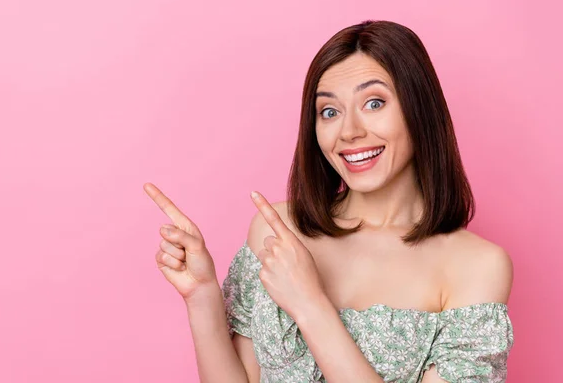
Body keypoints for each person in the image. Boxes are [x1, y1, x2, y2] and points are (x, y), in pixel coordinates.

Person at [144, 19, 514, 383]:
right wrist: (202, 295)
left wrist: (310, 304)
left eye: (373, 103)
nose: (349, 131)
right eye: (329, 112)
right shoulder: (278, 231)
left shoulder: (476, 266)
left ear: (419, 110)